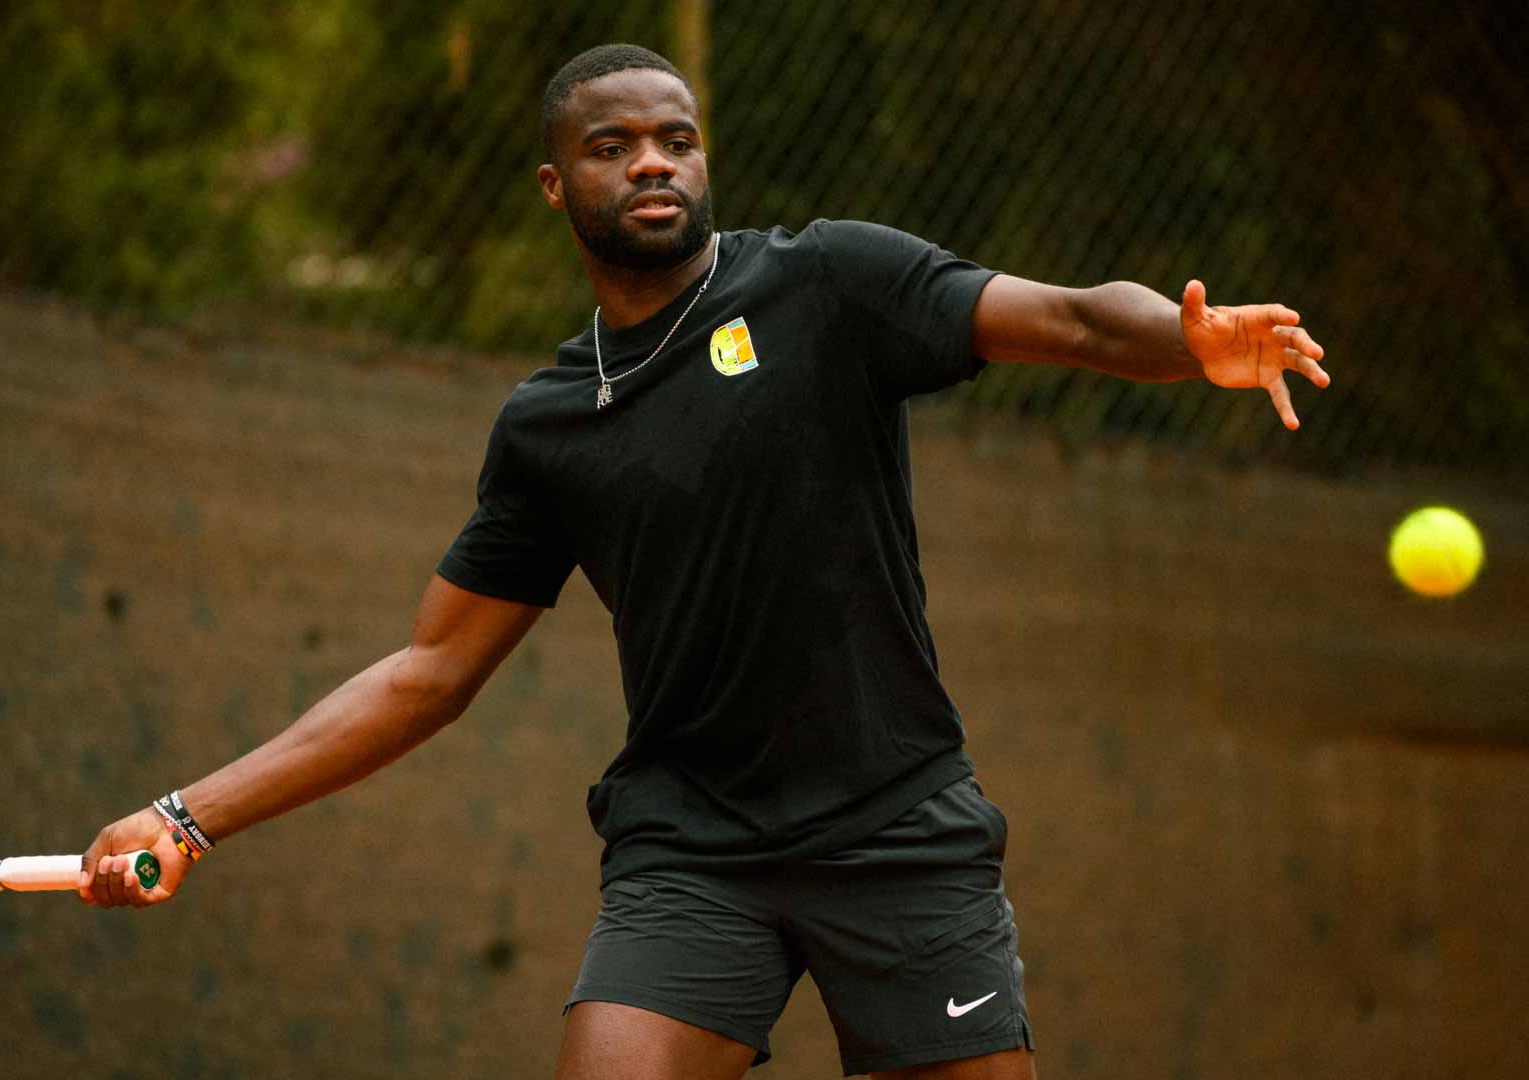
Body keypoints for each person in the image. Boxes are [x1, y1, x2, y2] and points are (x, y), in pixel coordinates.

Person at [78, 43, 1329, 1080]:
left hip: (899, 825)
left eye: (674, 137)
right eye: (612, 146)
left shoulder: (830, 284)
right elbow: (427, 671)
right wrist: (189, 817)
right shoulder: (550, 425)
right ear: (556, 188)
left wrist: (1187, 342)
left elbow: (1060, 314)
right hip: (693, 850)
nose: (653, 161)